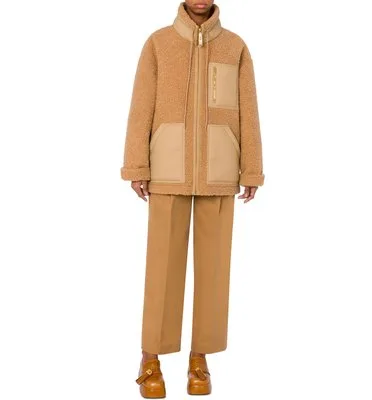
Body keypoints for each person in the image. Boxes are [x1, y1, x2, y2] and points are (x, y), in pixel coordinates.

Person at [120, 0, 265, 397]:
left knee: (214, 273)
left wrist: (251, 168)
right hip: (167, 171)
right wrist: (136, 165)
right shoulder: (158, 43)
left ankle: (200, 358)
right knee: (162, 270)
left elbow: (249, 111)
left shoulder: (236, 46)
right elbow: (141, 106)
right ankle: (150, 358)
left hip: (220, 173)